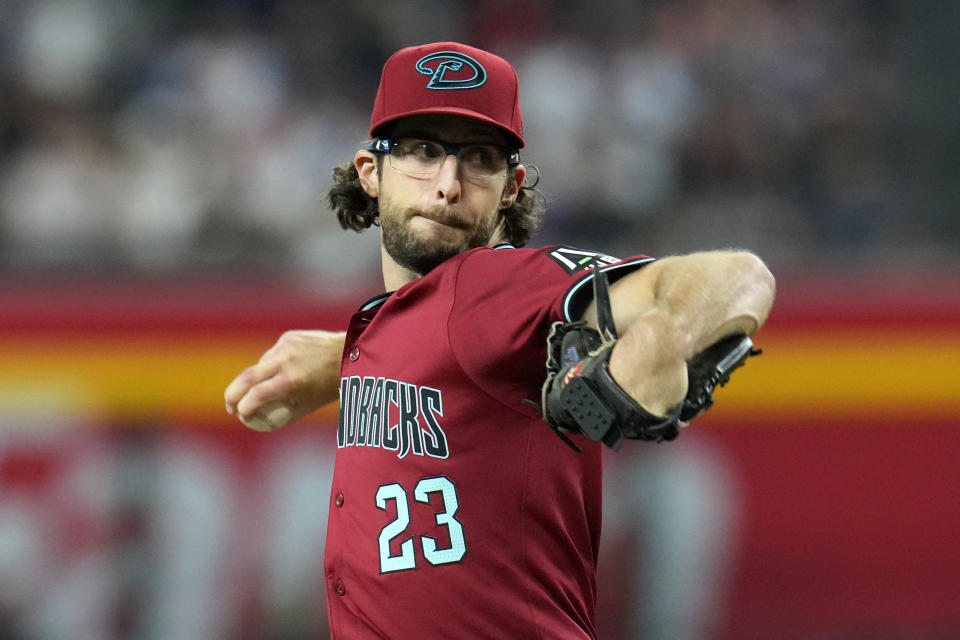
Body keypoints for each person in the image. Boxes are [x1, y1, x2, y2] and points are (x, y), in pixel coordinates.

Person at [225, 41, 775, 639]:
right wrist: (342, 358)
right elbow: (441, 341)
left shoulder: (495, 286)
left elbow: (738, 278)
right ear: (369, 172)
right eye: (422, 152)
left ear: (510, 187)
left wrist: (660, 345)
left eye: (480, 159)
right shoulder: (394, 324)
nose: (448, 184)